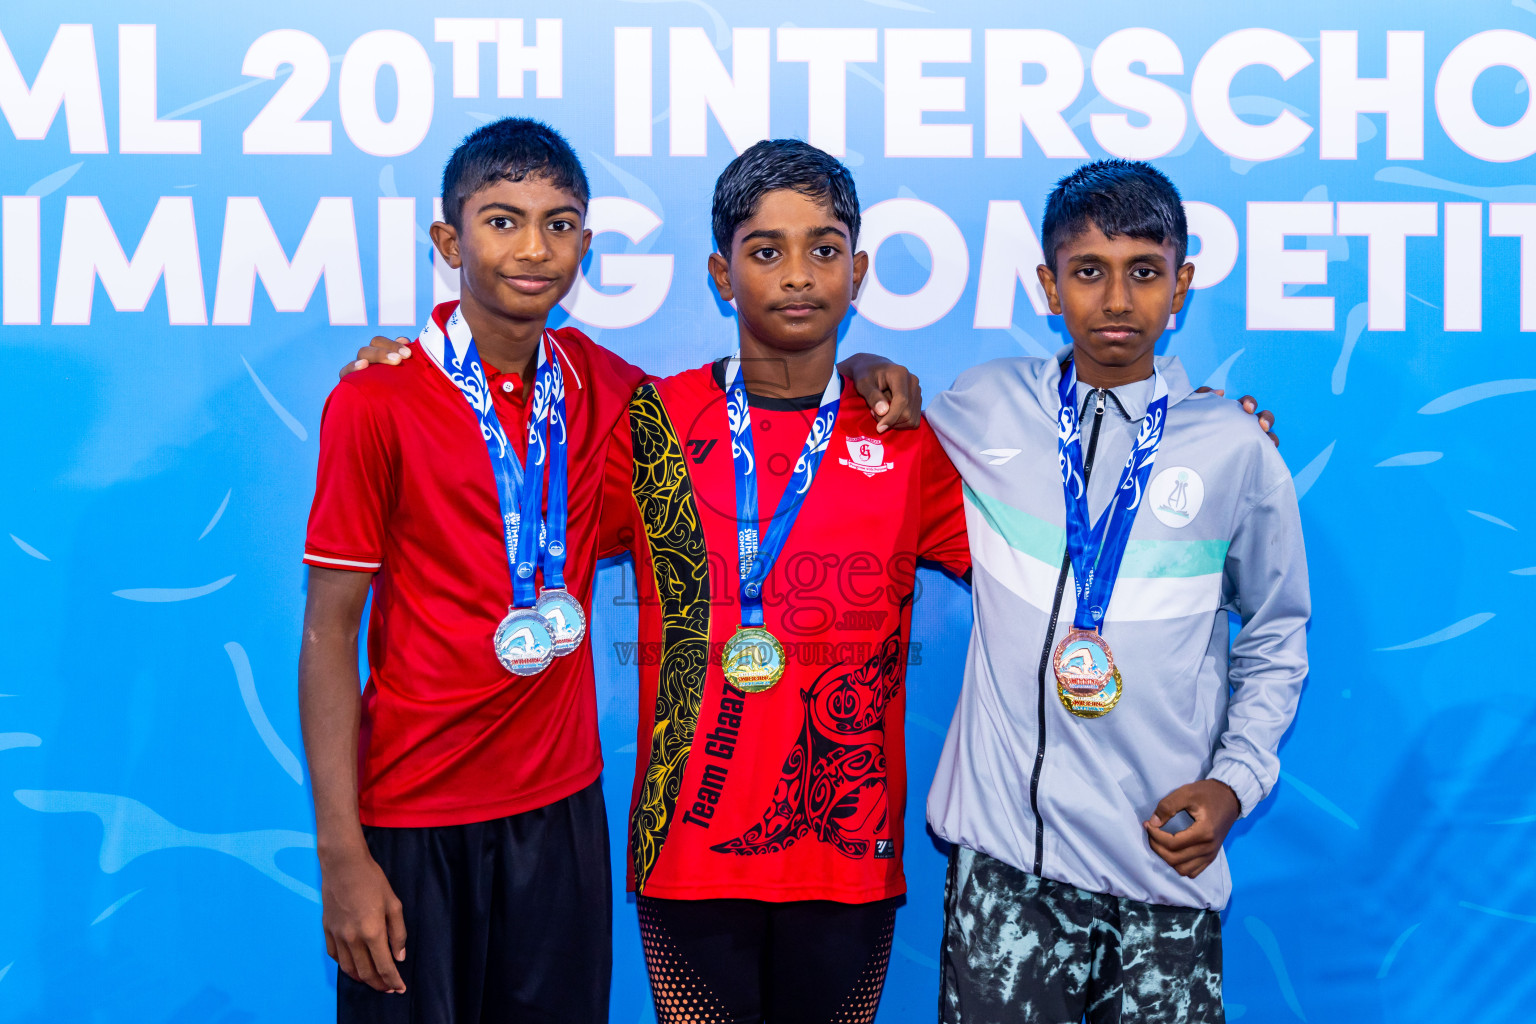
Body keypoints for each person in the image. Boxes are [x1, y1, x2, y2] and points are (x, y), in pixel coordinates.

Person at [298, 117, 920, 1024]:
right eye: (502, 221)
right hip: (412, 814)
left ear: (585, 247)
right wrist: (342, 855)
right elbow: (326, 636)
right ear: (448, 241)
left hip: (564, 816)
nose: (532, 248)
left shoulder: (613, 393)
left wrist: (862, 365)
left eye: (558, 225)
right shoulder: (376, 400)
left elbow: (764, 392)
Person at [924, 159, 1310, 1023]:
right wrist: (872, 362)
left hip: (1161, 866)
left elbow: (1278, 631)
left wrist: (1236, 782)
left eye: (1145, 272)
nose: (1116, 301)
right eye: (1088, 272)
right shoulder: (984, 406)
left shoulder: (1234, 446)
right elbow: (873, 419)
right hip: (1004, 872)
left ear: (1183, 288)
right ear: (1047, 286)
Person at [597, 138, 971, 1024]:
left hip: (847, 854)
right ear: (723, 275)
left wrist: (1205, 443)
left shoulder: (905, 438)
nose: (799, 274)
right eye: (767, 251)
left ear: (860, 269)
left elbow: (1041, 568)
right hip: (687, 850)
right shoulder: (654, 423)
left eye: (825, 249)